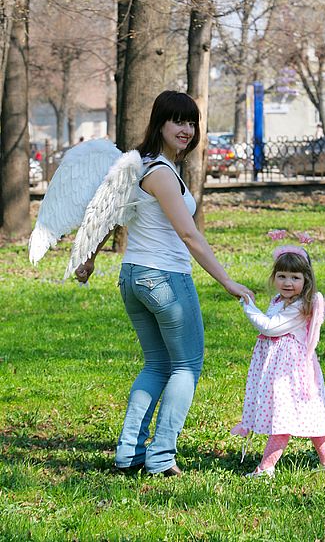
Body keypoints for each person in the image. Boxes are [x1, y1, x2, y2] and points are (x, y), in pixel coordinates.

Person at [75, 90, 254, 477]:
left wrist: (90, 256)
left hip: (133, 277)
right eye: (178, 121)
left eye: (192, 122)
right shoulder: (160, 173)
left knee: (156, 364)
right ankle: (160, 457)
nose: (187, 129)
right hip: (165, 280)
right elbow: (190, 236)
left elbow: (113, 215)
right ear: (160, 122)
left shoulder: (139, 166)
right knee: (186, 366)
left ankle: (129, 454)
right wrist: (228, 282)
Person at [232, 245, 325, 478]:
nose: (287, 282)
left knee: (283, 417)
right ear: (274, 278)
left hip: (291, 373)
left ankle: (265, 469)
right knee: (306, 415)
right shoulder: (278, 300)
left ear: (306, 280)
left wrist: (247, 305)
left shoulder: (300, 307)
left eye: (295, 277)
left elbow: (270, 327)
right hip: (278, 369)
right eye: (282, 276)